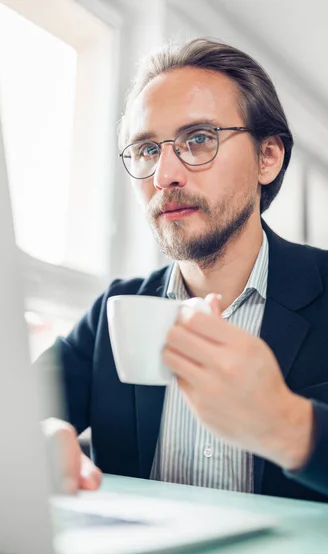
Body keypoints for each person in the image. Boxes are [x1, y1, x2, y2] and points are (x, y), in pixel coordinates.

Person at [39, 38, 328, 501]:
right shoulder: (111, 314)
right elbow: (10, 410)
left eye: (198, 140)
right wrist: (38, 434)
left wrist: (290, 425)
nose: (164, 175)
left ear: (268, 157)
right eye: (147, 149)